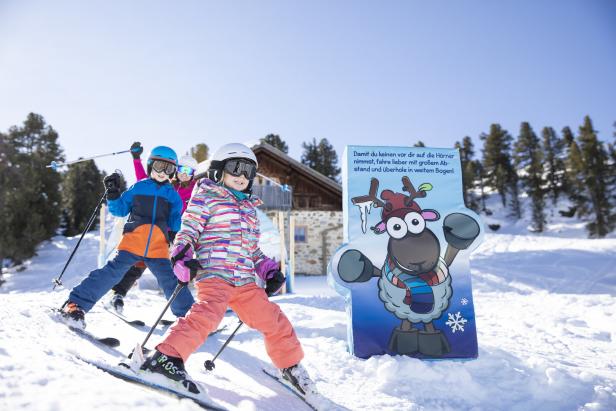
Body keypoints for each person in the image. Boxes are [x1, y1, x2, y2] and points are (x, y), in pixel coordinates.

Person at [140, 143, 316, 396]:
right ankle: (166, 358)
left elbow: (253, 250)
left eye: (248, 171)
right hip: (215, 274)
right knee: (207, 316)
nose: (242, 176)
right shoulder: (205, 197)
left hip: (245, 282)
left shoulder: (250, 210)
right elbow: (188, 232)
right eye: (236, 168)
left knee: (274, 319)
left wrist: (268, 270)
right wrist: (181, 256)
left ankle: (289, 365)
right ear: (218, 170)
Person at [61, 146, 195, 326]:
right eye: (158, 166)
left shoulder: (173, 196)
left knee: (170, 281)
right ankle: (75, 304)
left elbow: (175, 222)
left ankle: (191, 318)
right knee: (111, 273)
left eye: (168, 168)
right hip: (132, 244)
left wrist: (174, 238)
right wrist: (113, 194)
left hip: (158, 249)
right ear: (150, 166)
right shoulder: (138, 188)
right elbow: (119, 210)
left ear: (173, 171)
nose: (163, 172)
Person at [109, 143, 199, 313]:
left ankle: (188, 307)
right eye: (181, 169)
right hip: (158, 233)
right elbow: (142, 179)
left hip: (181, 234)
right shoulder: (165, 184)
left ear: (193, 175)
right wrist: (136, 159)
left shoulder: (195, 191)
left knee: (180, 268)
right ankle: (118, 293)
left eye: (189, 172)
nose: (184, 174)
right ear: (175, 168)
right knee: (139, 263)